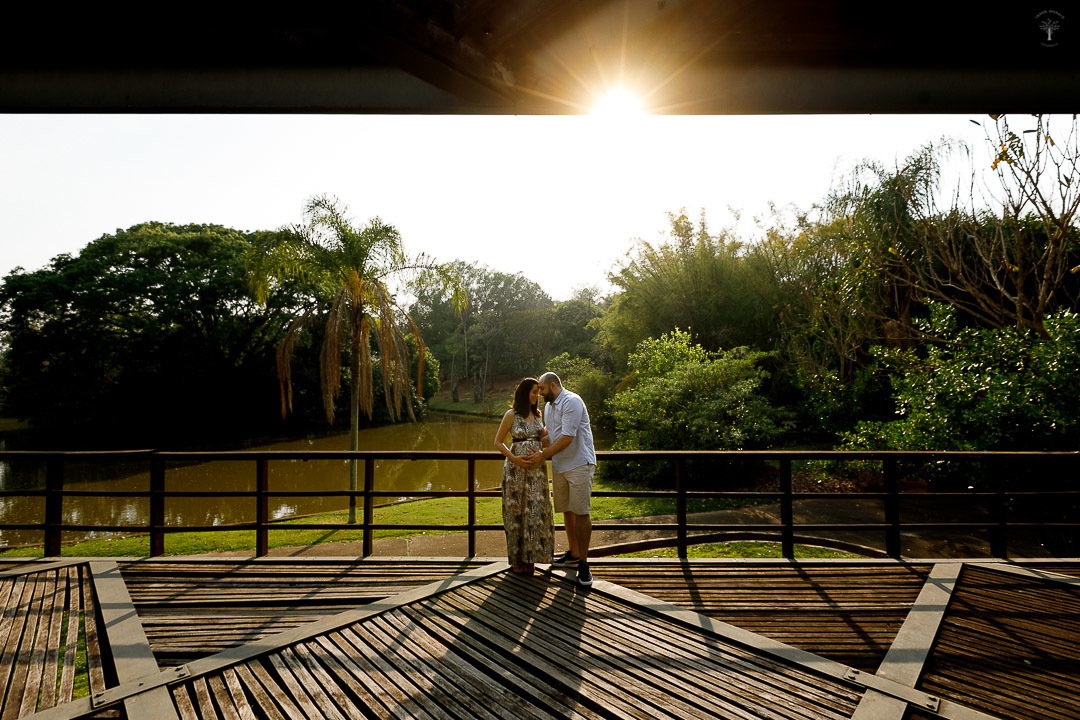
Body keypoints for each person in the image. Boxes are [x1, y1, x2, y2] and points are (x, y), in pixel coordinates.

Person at [527, 371, 597, 588]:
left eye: (541, 388)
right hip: (561, 465)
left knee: (581, 512)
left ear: (552, 386)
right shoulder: (549, 407)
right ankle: (574, 554)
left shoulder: (572, 401)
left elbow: (567, 437)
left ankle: (584, 564)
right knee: (567, 510)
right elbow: (551, 436)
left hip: (579, 464)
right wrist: (526, 442)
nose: (539, 393)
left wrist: (542, 456)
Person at [493, 377, 554, 575]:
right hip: (515, 471)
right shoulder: (511, 414)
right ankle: (517, 560)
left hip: (537, 472)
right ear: (524, 392)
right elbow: (498, 442)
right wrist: (515, 459)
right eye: (534, 392)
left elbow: (542, 440)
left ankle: (531, 557)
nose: (537, 396)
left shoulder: (538, 415)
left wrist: (560, 433)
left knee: (535, 512)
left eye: (538, 392)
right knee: (515, 514)